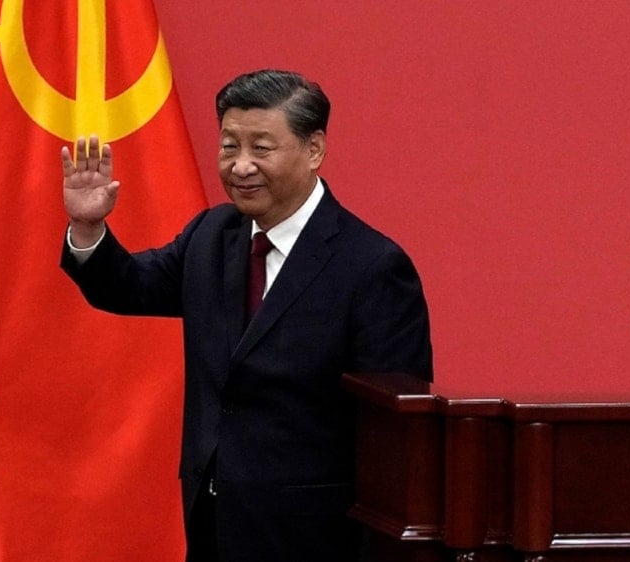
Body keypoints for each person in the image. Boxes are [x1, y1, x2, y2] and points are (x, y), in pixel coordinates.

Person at [60, 69, 433, 562]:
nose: (240, 166)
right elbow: (128, 285)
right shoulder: (212, 235)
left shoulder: (373, 267)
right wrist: (88, 227)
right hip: (212, 523)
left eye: (262, 148)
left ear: (314, 149)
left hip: (314, 539)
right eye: (230, 146)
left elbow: (396, 438)